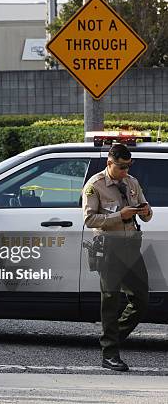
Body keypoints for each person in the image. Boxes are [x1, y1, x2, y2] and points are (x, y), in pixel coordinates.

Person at [82, 143, 152, 372]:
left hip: (131, 246)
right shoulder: (95, 185)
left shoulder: (132, 183)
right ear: (109, 163)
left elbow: (148, 215)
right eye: (121, 167)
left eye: (128, 166)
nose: (125, 171)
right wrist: (118, 216)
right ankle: (110, 354)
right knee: (110, 300)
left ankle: (111, 339)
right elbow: (90, 220)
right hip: (109, 246)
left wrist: (146, 211)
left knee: (141, 299)